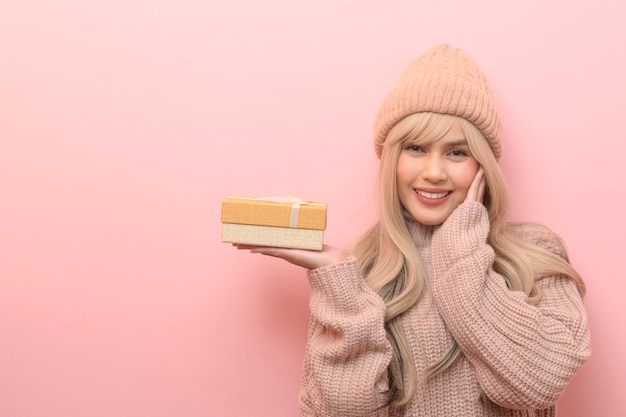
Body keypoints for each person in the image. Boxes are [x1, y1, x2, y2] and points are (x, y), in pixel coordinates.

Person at [236, 44, 591, 416]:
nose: (434, 172)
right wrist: (339, 286)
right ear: (392, 159)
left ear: (482, 166)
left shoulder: (536, 254)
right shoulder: (361, 274)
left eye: (457, 152)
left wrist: (460, 250)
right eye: (416, 148)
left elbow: (537, 384)